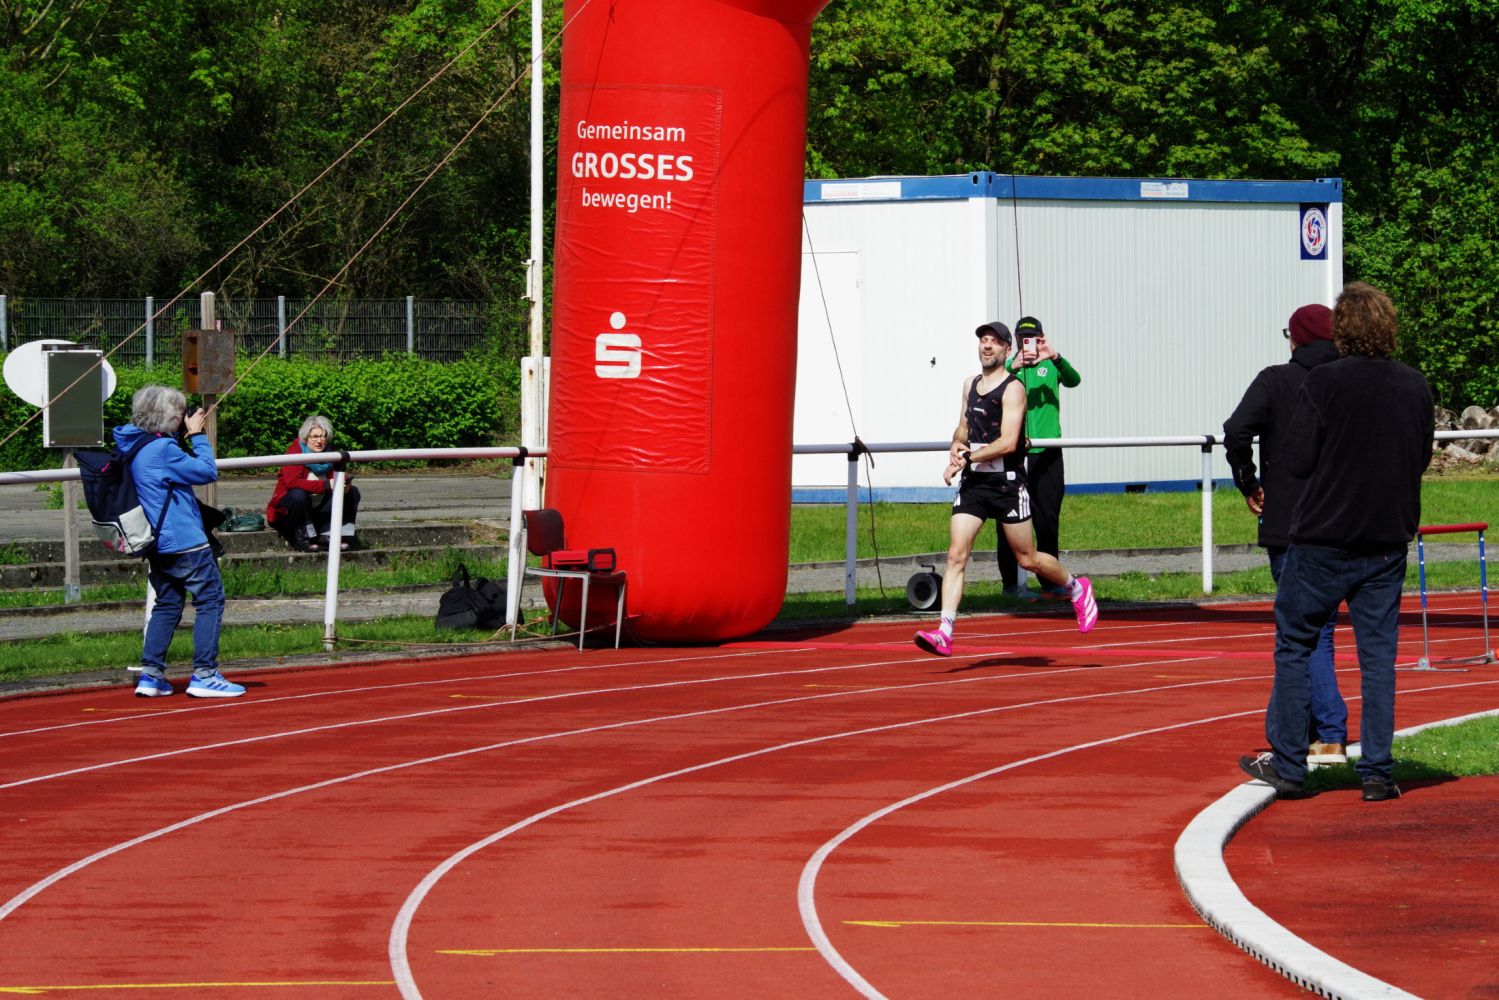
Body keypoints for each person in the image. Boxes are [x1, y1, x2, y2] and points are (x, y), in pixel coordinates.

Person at [1238, 282, 1434, 802]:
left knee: (1296, 644)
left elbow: (1298, 459)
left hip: (1323, 540)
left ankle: (1289, 766)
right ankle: (1377, 772)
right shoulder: (1415, 385)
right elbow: (1421, 458)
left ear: (1342, 330)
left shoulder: (1324, 382)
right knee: (1378, 659)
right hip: (1386, 541)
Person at [914, 321, 1098, 657]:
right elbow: (963, 428)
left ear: (1006, 350)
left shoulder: (1014, 389)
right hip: (974, 484)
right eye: (983, 340)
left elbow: (1009, 442)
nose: (987, 346)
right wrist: (956, 447)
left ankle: (1076, 588)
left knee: (1027, 558)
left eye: (994, 342)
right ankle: (945, 631)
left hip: (1007, 485)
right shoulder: (970, 385)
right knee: (956, 555)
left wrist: (970, 458)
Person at [1224, 303, 1348, 767]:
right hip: (1340, 521)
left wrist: (1248, 481)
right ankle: (1320, 732)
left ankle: (1326, 732)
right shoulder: (1349, 382)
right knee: (1323, 632)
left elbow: (1236, 430)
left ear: (1296, 338)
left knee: (1300, 633)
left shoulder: (1276, 380)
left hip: (1289, 523)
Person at [119, 385, 244, 698]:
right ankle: (205, 674)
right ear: (170, 417)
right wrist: (197, 435)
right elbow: (206, 471)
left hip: (157, 542)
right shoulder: (163, 450)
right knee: (210, 600)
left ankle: (151, 675)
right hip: (185, 541)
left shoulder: (134, 444)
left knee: (168, 603)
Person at [996, 315, 1081, 598]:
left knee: (1047, 519)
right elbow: (992, 387)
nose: (1028, 344)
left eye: (1032, 338)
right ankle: (1011, 584)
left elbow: (1074, 380)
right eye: (1022, 339)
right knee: (1009, 520)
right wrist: (1013, 366)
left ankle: (1050, 580)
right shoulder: (1009, 368)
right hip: (1014, 452)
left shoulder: (1052, 364)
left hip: (1047, 453)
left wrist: (1054, 356)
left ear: (1041, 338)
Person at [266, 415, 361, 553]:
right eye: (314, 437)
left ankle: (337, 535)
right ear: (306, 438)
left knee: (353, 492)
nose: (319, 441)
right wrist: (325, 485)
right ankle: (302, 538)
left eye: (323, 436)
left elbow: (337, 477)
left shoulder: (330, 453)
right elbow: (292, 483)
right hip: (289, 511)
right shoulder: (294, 452)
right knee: (298, 495)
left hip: (316, 509)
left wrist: (345, 485)